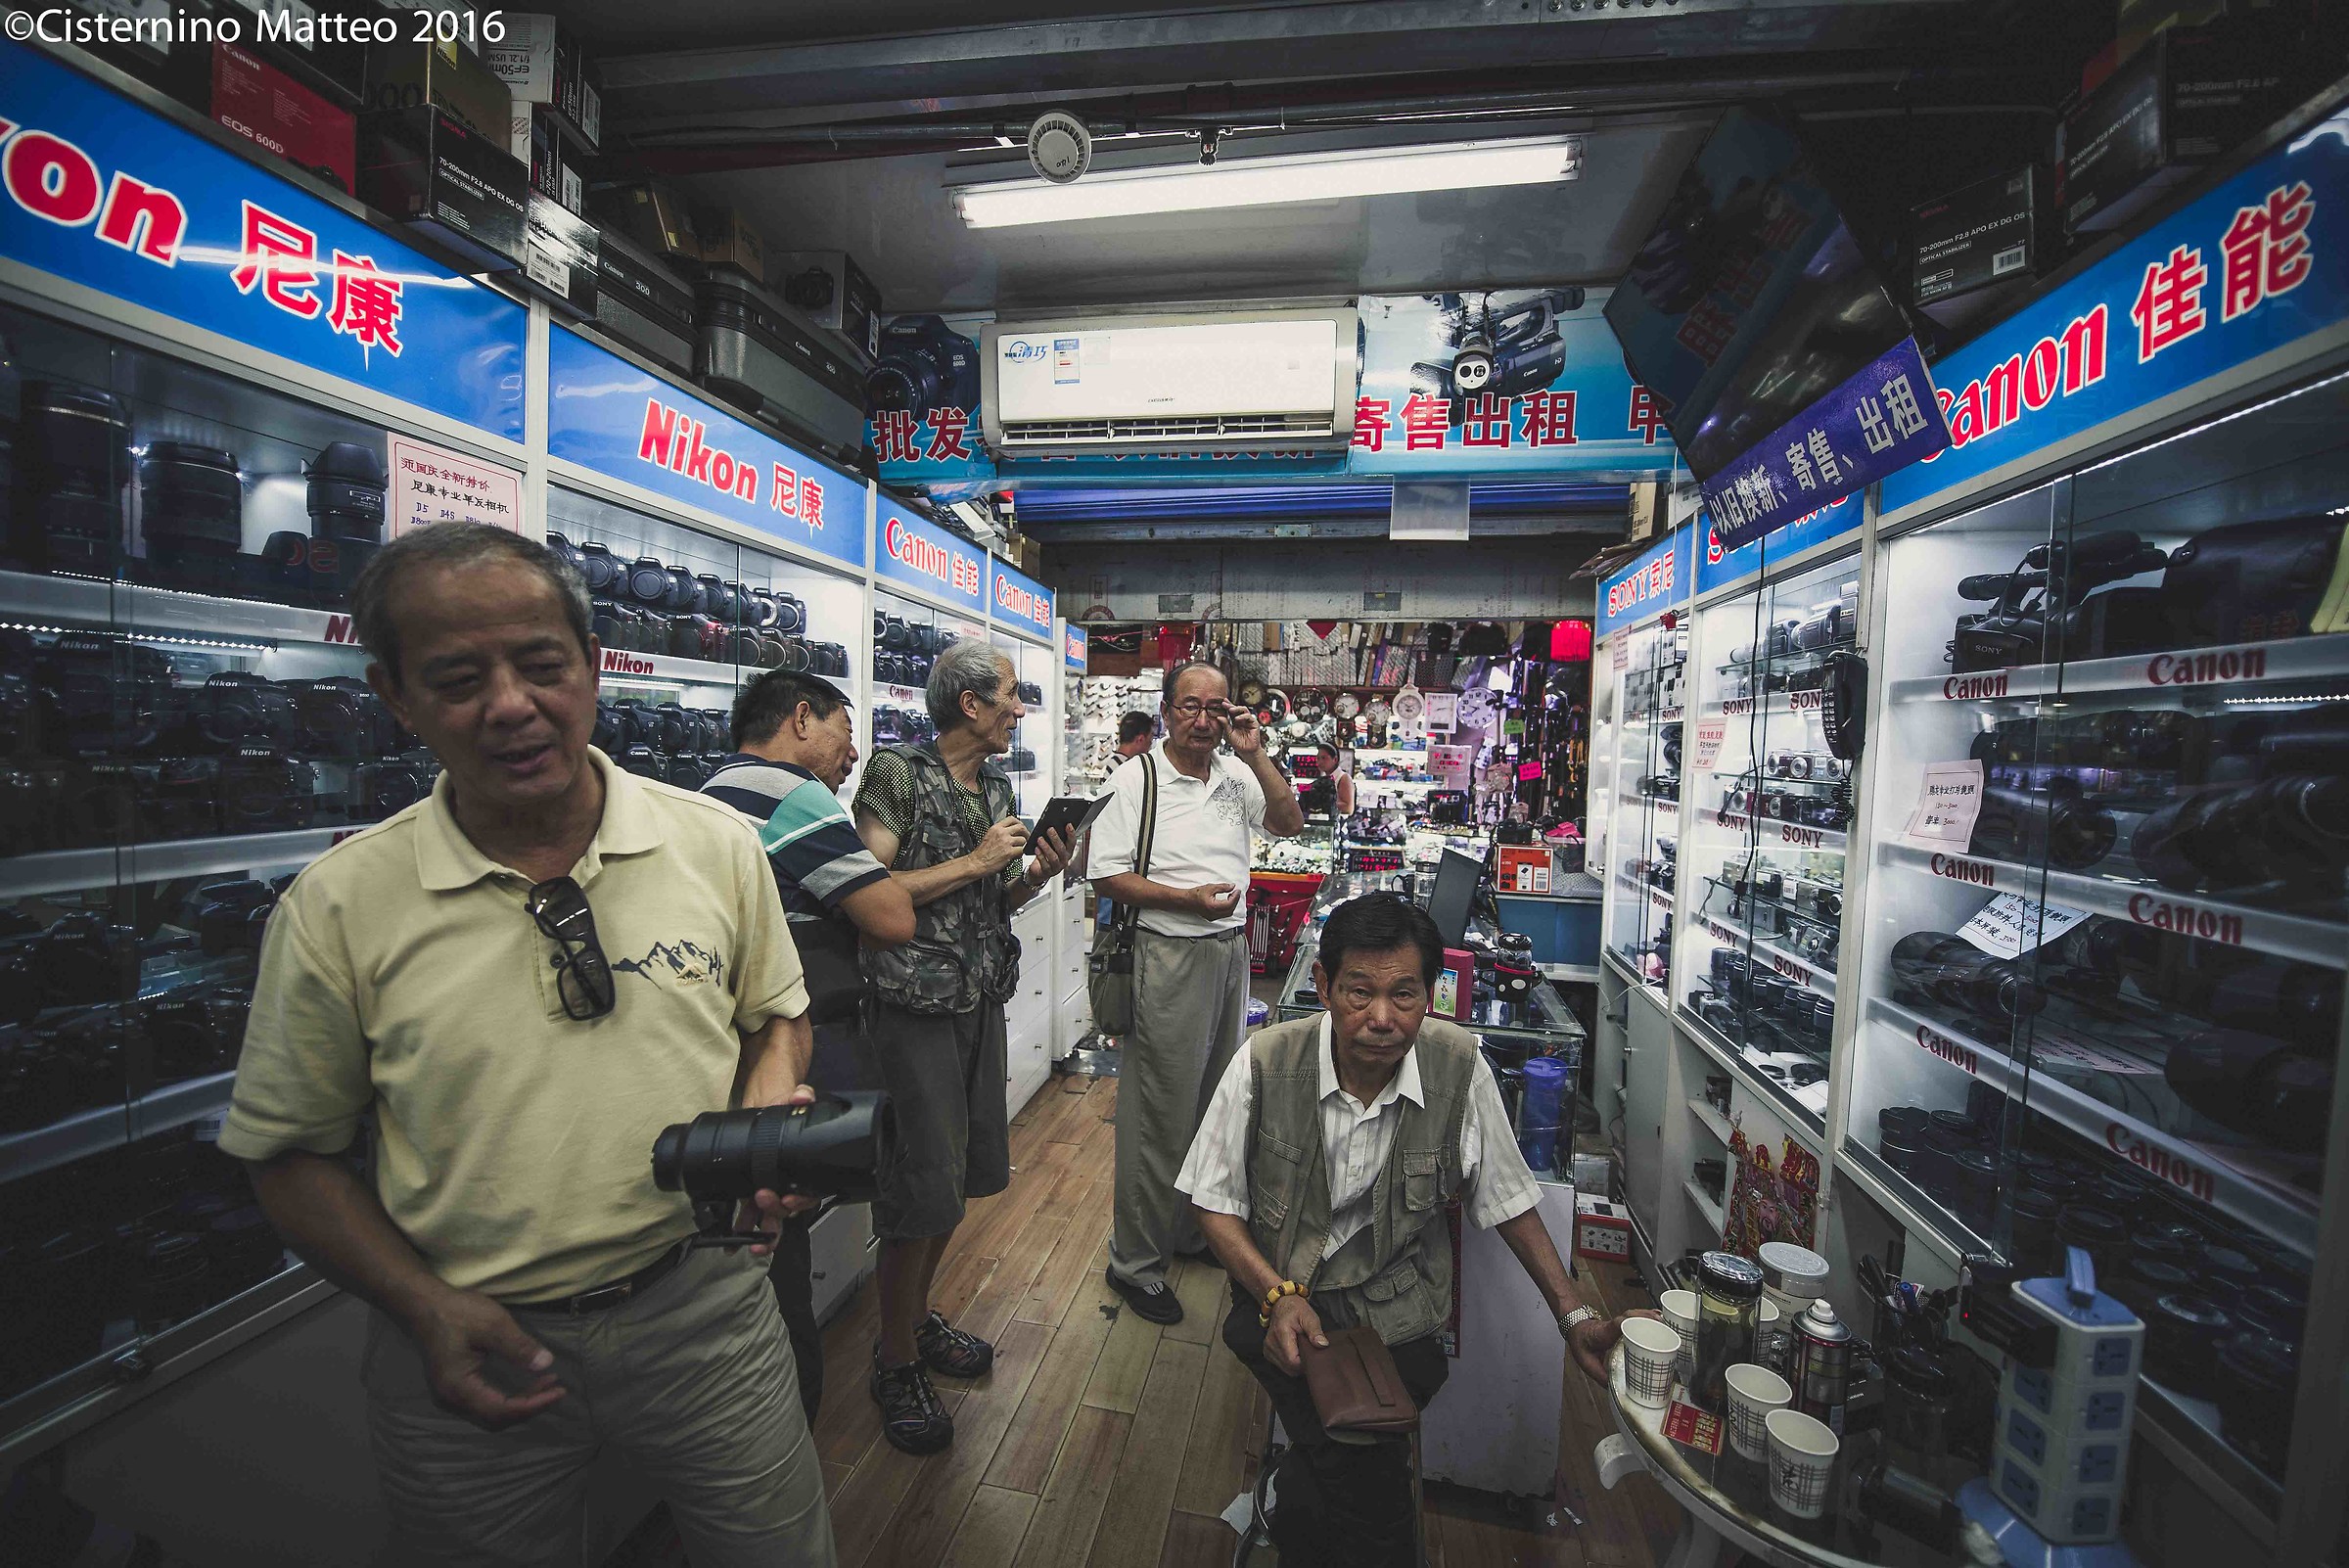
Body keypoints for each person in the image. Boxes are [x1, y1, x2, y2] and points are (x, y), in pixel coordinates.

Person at [217, 523, 834, 1567]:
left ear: (592, 667)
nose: (510, 704)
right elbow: (287, 1153)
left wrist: (768, 1106)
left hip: (706, 1309)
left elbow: (778, 1012)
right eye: (457, 678)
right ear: (394, 697)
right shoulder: (339, 907)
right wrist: (420, 1305)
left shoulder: (712, 844)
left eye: (542, 664)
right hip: (464, 1339)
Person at [1177, 893, 1637, 1568]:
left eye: (1406, 995)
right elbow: (1211, 1199)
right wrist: (1277, 1296)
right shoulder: (1267, 1060)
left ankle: (1297, 1506)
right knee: (1368, 1475)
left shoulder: (1459, 1066)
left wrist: (1575, 1315)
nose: (1383, 1019)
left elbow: (1506, 1194)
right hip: (1280, 1297)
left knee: (1343, 1453)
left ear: (1432, 994)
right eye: (1359, 993)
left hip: (1398, 1310)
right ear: (1324, 986)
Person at [852, 638, 1076, 1453]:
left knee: (965, 1175)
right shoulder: (896, 776)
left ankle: (911, 1319)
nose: (1020, 710)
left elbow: (991, 900)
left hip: (978, 999)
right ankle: (895, 1355)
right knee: (921, 1185)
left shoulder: (999, 786)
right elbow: (867, 891)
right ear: (971, 704)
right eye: (1011, 697)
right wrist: (975, 858)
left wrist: (1035, 873)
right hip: (913, 1009)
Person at [701, 669, 914, 1426]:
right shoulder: (792, 794)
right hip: (789, 1049)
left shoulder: (707, 792)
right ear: (800, 718)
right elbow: (892, 916)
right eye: (845, 732)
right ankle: (787, 1444)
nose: (853, 754)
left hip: (720, 1058)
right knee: (780, 1267)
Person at [1086, 660, 1305, 1324]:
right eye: (1190, 707)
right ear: (1166, 710)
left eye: (1217, 708)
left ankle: (1185, 1235)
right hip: (1169, 954)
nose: (1204, 720)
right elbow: (1106, 877)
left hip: (1229, 953)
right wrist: (1185, 901)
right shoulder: (1137, 779)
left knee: (1211, 1108)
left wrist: (1258, 753)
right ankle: (1134, 1264)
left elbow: (1290, 824)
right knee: (1159, 1117)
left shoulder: (1238, 774)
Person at [1298, 741, 1353, 818]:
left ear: (1335, 759)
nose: (1319, 762)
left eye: (1324, 758)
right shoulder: (1322, 779)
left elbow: (1349, 808)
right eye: (1318, 758)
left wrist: (1326, 804)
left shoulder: (1343, 778)